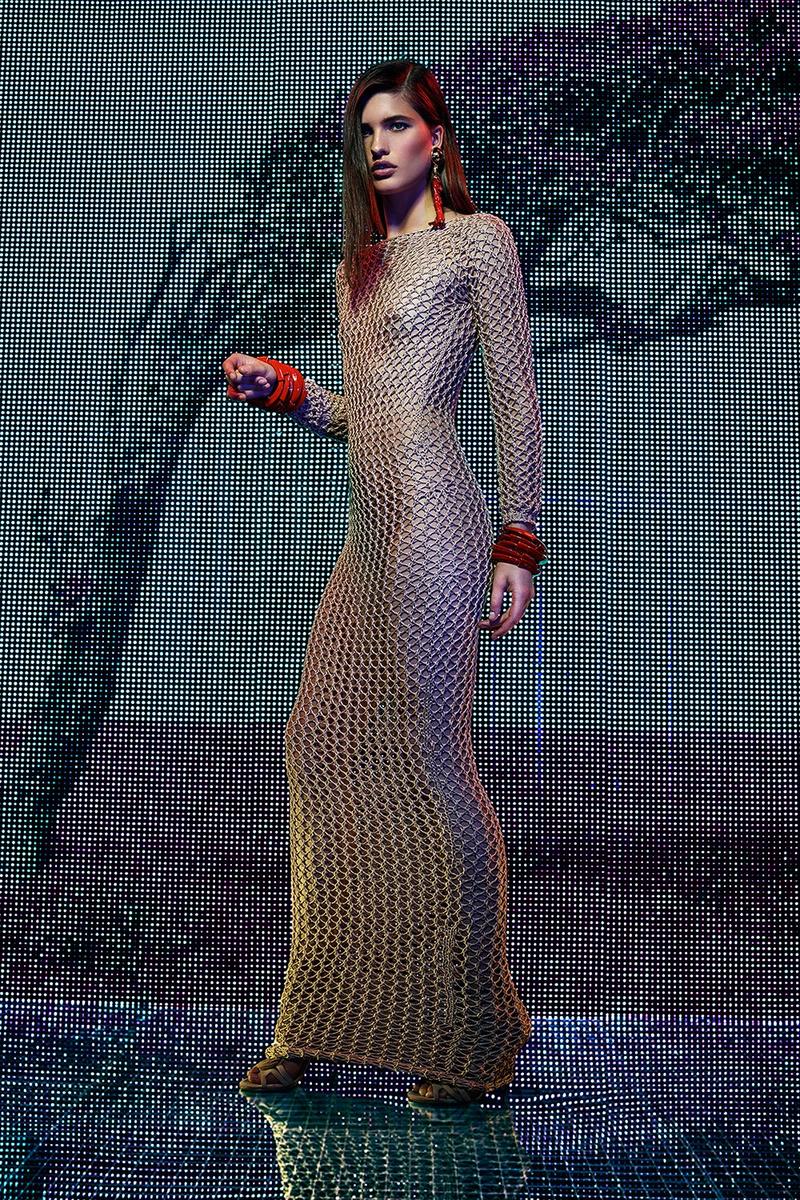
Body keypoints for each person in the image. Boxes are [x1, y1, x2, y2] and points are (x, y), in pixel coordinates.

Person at [222, 59, 548, 1107]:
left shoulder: (477, 242)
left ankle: (471, 1035)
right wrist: (289, 392)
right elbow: (363, 416)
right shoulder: (357, 268)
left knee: (427, 761)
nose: (378, 144)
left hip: (439, 525)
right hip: (372, 531)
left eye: (397, 125)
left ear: (435, 139)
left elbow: (514, 395)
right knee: (318, 745)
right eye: (365, 129)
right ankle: (321, 1017)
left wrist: (517, 540)